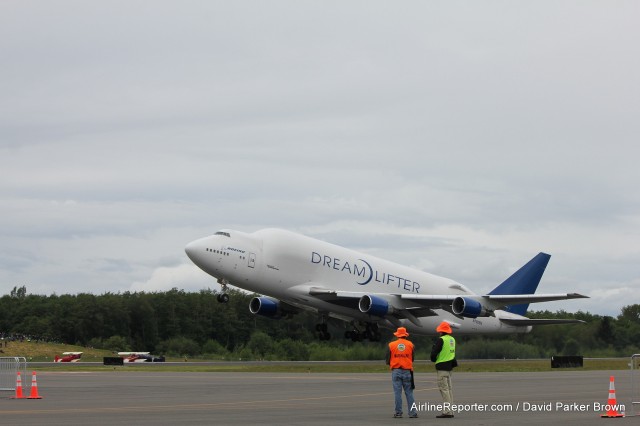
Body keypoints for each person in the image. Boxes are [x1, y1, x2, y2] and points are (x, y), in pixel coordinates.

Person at [386, 326, 418, 419]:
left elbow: (387, 359)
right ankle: (412, 413)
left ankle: (398, 413)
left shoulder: (391, 345)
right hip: (407, 371)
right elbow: (412, 358)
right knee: (409, 393)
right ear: (405, 335)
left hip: (396, 371)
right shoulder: (410, 344)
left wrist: (394, 364)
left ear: (397, 335)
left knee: (397, 393)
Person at [430, 321, 457, 418]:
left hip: (442, 367)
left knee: (444, 390)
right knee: (449, 390)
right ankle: (451, 410)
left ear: (441, 331)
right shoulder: (452, 339)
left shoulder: (441, 340)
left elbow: (434, 354)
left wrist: (433, 357)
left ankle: (447, 412)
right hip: (450, 367)